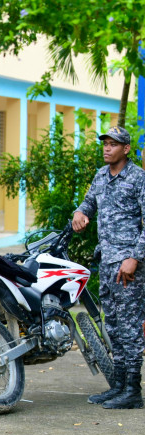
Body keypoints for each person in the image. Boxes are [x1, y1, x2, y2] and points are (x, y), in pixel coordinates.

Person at [72, 126, 145, 410]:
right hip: (107, 262)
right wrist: (80, 213)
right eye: (105, 143)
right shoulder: (101, 176)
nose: (107, 148)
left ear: (125, 149)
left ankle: (133, 390)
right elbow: (88, 203)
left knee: (129, 329)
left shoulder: (138, 178)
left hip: (129, 267)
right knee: (112, 326)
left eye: (113, 144)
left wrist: (136, 258)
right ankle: (118, 386)